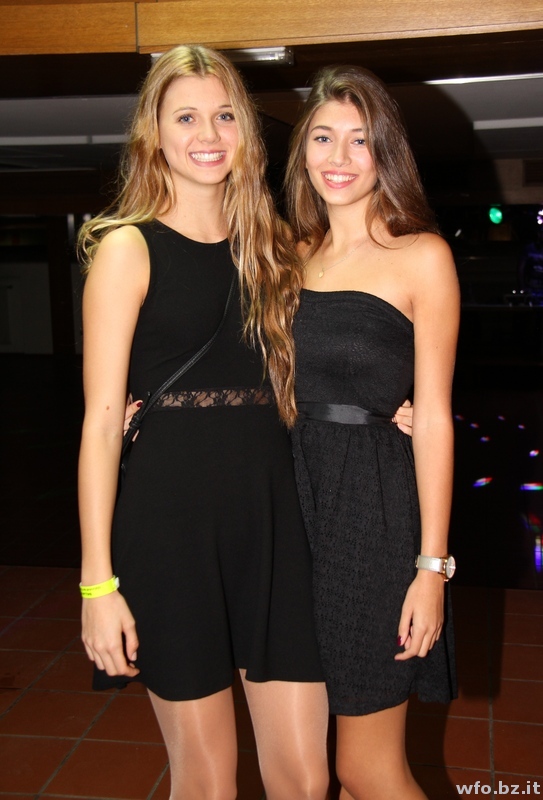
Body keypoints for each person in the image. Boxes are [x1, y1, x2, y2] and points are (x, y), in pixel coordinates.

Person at [77, 44, 331, 800]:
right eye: (186, 117)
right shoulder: (126, 248)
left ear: (246, 130)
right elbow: (100, 425)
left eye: (224, 115)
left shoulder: (276, 247)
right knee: (209, 781)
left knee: (304, 777)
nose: (208, 134)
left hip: (273, 524)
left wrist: (391, 409)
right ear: (153, 132)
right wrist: (97, 586)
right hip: (168, 528)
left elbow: (326, 363)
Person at [284, 65, 459, 799]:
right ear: (302, 150)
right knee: (307, 764)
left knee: (365, 766)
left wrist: (431, 568)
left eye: (360, 139)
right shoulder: (287, 255)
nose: (339, 156)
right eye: (323, 136)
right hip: (289, 507)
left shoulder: (421, 255)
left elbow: (435, 416)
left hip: (373, 517)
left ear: (385, 152)